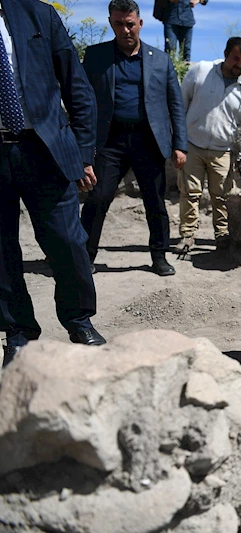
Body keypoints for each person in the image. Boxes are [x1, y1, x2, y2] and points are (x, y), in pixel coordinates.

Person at [1, 0, 107, 366]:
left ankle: (78, 319)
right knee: (1, 251)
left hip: (45, 148)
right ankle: (18, 333)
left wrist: (83, 152)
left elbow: (77, 85)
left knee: (67, 241)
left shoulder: (39, 14)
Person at [81, 0, 188, 277]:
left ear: (140, 23)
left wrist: (180, 145)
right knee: (98, 198)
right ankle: (84, 256)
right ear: (110, 23)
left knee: (155, 201)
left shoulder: (160, 60)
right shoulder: (96, 57)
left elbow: (175, 104)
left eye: (130, 24)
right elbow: (81, 101)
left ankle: (159, 256)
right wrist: (82, 145)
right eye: (119, 24)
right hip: (110, 141)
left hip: (148, 140)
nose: (125, 29)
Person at [177, 37, 241, 253]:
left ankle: (222, 236)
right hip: (192, 145)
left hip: (223, 151)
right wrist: (177, 141)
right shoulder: (201, 71)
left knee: (221, 196)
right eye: (235, 59)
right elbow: (180, 103)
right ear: (225, 54)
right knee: (189, 193)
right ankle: (187, 235)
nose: (239, 65)